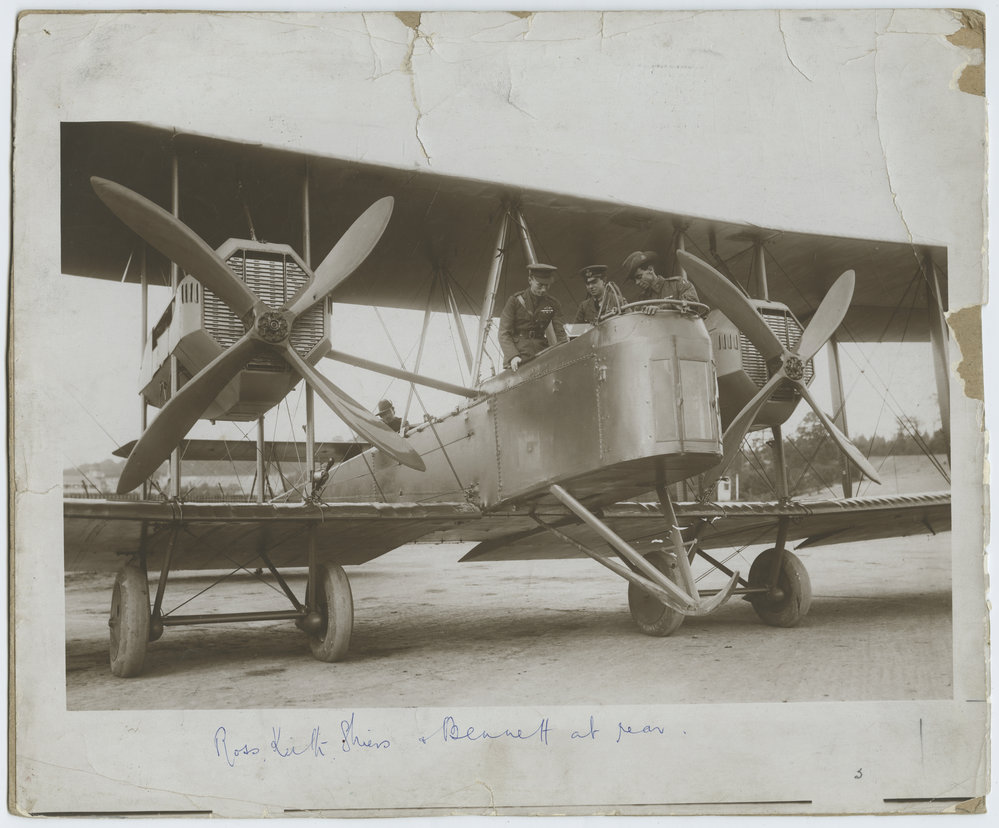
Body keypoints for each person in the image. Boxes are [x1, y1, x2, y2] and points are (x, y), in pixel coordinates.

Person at [498, 263, 568, 371]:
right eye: (540, 285)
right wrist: (513, 356)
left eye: (547, 285)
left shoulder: (553, 304)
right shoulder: (514, 301)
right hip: (519, 356)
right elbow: (504, 332)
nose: (544, 289)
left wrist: (566, 351)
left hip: (542, 352)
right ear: (530, 280)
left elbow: (560, 332)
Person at [621, 250, 698, 313]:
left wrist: (662, 308)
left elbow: (692, 303)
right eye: (635, 280)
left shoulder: (677, 284)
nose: (637, 282)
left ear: (650, 269)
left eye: (639, 277)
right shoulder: (642, 300)